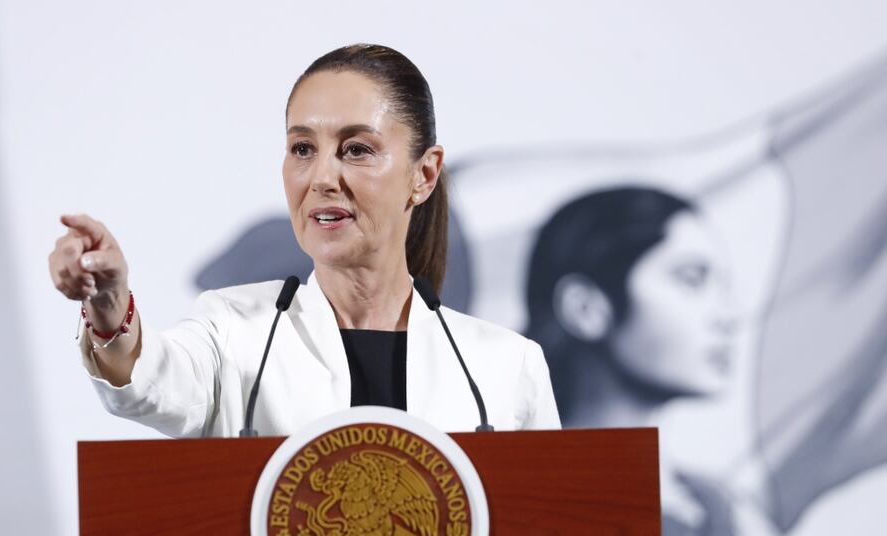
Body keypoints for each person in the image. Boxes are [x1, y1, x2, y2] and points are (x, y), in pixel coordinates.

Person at [47, 44, 560, 437]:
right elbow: (152, 381)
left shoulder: (503, 367)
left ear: (424, 175)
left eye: (356, 149)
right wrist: (109, 301)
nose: (321, 178)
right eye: (302, 148)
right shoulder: (236, 333)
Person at [525, 186, 856, 536]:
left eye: (722, 285)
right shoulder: (519, 510)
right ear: (587, 307)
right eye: (691, 279)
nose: (728, 315)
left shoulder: (728, 513)